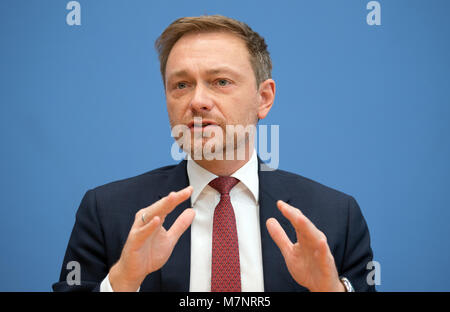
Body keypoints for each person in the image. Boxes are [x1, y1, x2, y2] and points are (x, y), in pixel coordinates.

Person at [53, 15, 375, 292]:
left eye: (220, 81)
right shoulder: (106, 212)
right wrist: (123, 280)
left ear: (264, 98)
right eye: (181, 85)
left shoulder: (336, 218)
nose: (197, 101)